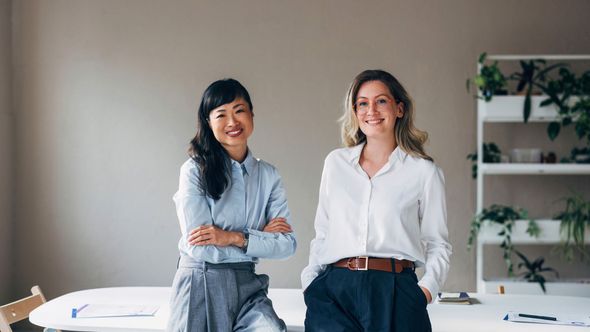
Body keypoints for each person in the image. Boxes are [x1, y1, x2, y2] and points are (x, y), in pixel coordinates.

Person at [301, 69, 452, 332]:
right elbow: (323, 231)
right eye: (362, 103)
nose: (371, 110)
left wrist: (424, 292)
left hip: (395, 291)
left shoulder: (423, 172)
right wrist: (311, 282)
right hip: (334, 290)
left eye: (381, 101)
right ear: (355, 112)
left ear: (400, 109)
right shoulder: (336, 164)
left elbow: (438, 244)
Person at [168, 78, 296, 332]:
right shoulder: (194, 171)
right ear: (208, 122)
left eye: (239, 111)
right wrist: (260, 240)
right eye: (221, 114)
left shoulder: (268, 175)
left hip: (248, 285)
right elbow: (200, 247)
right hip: (200, 282)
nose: (232, 122)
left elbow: (286, 245)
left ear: (251, 114)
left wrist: (232, 237)